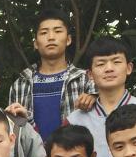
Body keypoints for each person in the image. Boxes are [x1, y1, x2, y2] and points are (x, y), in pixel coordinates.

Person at [65, 37, 136, 157]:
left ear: (129, 68)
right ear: (90, 74)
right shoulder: (75, 121)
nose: (109, 68)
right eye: (101, 64)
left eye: (116, 62)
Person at [6, 9, 97, 140]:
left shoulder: (85, 79)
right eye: (44, 33)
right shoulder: (20, 85)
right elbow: (13, 130)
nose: (51, 37)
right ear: (35, 43)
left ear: (68, 39)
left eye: (58, 31)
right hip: (31, 153)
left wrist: (94, 97)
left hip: (74, 152)